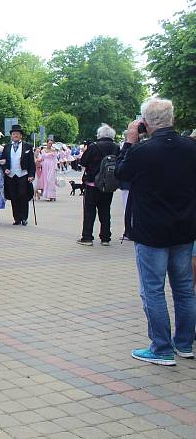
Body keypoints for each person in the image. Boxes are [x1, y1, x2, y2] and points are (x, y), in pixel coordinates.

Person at [115, 98, 196, 366]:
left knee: (153, 289)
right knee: (184, 288)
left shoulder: (142, 152)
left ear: (145, 123)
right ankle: (184, 343)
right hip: (184, 229)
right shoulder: (190, 148)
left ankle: (161, 347)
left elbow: (120, 174)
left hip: (151, 232)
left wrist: (129, 140)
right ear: (172, 118)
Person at [77, 124, 120, 246]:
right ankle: (105, 238)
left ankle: (87, 237)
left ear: (99, 135)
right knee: (105, 210)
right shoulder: (116, 147)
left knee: (89, 210)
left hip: (92, 183)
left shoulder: (93, 147)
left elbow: (83, 162)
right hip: (108, 184)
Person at [0, 125, 36, 226]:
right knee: (14, 197)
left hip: (23, 174)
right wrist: (5, 168)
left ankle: (24, 218)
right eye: (13, 134)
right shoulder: (6, 147)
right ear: (11, 136)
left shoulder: (27, 146)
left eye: (17, 134)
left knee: (23, 196)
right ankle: (17, 218)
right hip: (11, 175)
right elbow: (2, 161)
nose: (15, 135)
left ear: (20, 136)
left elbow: (32, 163)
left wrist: (31, 175)